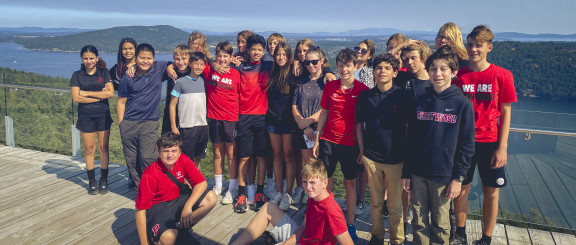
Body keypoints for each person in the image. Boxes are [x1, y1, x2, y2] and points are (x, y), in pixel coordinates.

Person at [401, 45, 475, 245]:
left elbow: (466, 145)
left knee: (441, 224)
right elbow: (411, 139)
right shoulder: (420, 100)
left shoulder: (462, 104)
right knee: (418, 221)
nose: (438, 73)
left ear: (454, 72)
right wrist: (406, 172)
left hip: (444, 175)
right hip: (417, 172)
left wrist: (459, 177)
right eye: (433, 69)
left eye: (443, 69)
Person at [452, 25, 517, 245]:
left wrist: (503, 147)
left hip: (490, 142)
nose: (473, 50)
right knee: (461, 188)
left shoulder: (502, 75)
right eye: (470, 45)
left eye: (478, 45)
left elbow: (506, 112)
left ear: (489, 47)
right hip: (463, 142)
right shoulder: (459, 75)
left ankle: (486, 238)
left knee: (491, 191)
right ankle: (460, 234)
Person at [313, 48, 369, 244]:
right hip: (328, 141)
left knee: (349, 183)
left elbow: (361, 123)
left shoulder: (362, 90)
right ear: (336, 66)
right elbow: (324, 113)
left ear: (355, 66)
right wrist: (318, 138)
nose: (343, 69)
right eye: (340, 65)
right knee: (326, 183)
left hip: (350, 143)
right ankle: (326, 219)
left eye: (347, 65)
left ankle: (350, 223)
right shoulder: (330, 87)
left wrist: (362, 149)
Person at [230, 160, 353, 245]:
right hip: (302, 239)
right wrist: (289, 241)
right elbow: (304, 227)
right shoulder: (313, 196)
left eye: (312, 183)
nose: (308, 187)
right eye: (305, 182)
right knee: (268, 207)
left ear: (325, 183)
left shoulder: (332, 210)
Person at [356, 53, 409, 245]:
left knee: (395, 205)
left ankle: (397, 239)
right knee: (376, 202)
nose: (382, 71)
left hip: (396, 159)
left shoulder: (403, 96)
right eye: (379, 68)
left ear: (395, 72)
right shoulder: (366, 96)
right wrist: (362, 151)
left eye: (387, 68)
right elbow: (359, 125)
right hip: (371, 157)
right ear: (374, 71)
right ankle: (377, 235)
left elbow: (407, 128)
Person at [135, 132, 217, 245]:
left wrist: (188, 206)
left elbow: (201, 183)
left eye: (174, 151)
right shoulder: (149, 174)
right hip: (159, 208)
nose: (170, 155)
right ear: (159, 153)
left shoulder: (183, 159)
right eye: (165, 151)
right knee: (169, 238)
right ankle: (171, 234)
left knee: (211, 198)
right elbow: (140, 211)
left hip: (179, 199)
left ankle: (182, 230)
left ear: (179, 153)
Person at [117, 43, 171, 188]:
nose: (145, 61)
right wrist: (121, 124)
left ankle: (152, 187)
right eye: (142, 58)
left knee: (148, 158)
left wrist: (170, 68)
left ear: (153, 59)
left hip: (149, 123)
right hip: (129, 123)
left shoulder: (158, 69)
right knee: (132, 161)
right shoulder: (127, 77)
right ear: (136, 58)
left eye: (149, 58)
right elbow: (121, 102)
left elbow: (177, 63)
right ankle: (142, 190)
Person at [233, 34, 273, 213]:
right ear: (248, 50)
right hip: (244, 117)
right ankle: (241, 193)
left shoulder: (267, 66)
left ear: (263, 51)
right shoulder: (241, 67)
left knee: (261, 156)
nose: (256, 52)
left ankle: (259, 192)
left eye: (259, 49)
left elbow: (286, 61)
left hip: (262, 117)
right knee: (244, 156)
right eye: (253, 49)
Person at [70, 45, 115, 195]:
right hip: (86, 116)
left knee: (104, 148)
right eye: (85, 58)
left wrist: (87, 94)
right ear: (82, 59)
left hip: (103, 116)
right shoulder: (77, 75)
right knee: (89, 150)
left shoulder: (104, 73)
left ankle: (104, 180)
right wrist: (98, 96)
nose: (88, 61)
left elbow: (110, 93)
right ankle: (91, 181)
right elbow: (76, 97)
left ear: (96, 58)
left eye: (91, 58)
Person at [204, 41, 241, 204]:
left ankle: (232, 188)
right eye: (219, 56)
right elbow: (196, 58)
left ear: (230, 57)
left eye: (225, 56)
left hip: (231, 118)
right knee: (217, 153)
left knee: (232, 155)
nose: (221, 59)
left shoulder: (236, 74)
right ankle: (218, 185)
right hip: (213, 117)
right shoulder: (209, 69)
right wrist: (212, 63)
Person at [291, 45, 327, 206]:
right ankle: (311, 199)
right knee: (309, 168)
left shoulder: (327, 81)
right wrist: (302, 125)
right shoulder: (301, 82)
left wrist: (310, 122)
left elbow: (327, 108)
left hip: (321, 130)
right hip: (304, 131)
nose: (311, 66)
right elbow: (294, 106)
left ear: (322, 61)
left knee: (322, 169)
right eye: (307, 63)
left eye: (314, 62)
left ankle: (322, 201)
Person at [266, 42, 298, 211]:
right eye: (278, 54)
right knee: (276, 156)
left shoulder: (293, 74)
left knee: (288, 156)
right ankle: (278, 191)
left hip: (288, 122)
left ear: (289, 57)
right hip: (272, 120)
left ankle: (288, 193)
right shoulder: (271, 72)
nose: (281, 57)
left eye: (284, 55)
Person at [169, 52, 208, 165]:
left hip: (202, 125)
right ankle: (186, 183)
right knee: (186, 158)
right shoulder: (180, 82)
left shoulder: (204, 82)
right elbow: (172, 104)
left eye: (202, 64)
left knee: (198, 157)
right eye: (196, 64)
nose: (199, 67)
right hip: (187, 126)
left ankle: (195, 182)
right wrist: (173, 126)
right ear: (190, 64)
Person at [161, 44, 191, 134]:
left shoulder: (193, 73)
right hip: (170, 115)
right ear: (173, 58)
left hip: (187, 115)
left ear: (189, 58)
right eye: (177, 59)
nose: (181, 62)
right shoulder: (170, 73)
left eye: (184, 59)